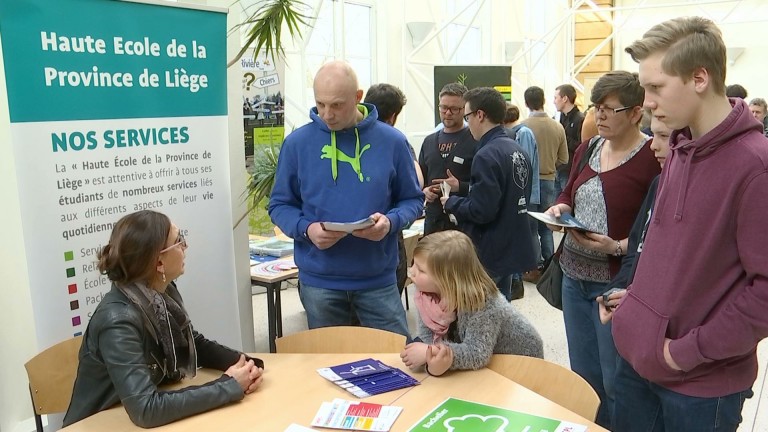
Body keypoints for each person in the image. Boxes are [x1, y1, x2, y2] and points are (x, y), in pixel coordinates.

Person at [612, 16, 768, 432]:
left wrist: (685, 352)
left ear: (700, 77)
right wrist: (634, 304)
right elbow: (671, 253)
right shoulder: (679, 149)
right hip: (638, 361)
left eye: (656, 87)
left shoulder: (756, 166)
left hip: (699, 385)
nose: (645, 101)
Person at [63, 211, 264, 428]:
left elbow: (192, 342)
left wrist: (246, 365)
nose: (185, 247)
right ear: (159, 261)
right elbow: (147, 409)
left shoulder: (162, 292)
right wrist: (229, 386)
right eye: (178, 241)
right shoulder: (117, 321)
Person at [268, 61, 423, 336]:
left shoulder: (392, 142)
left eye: (337, 105)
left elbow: (412, 200)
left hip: (378, 280)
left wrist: (389, 223)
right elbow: (280, 204)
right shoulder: (297, 144)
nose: (327, 114)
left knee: (398, 361)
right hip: (319, 282)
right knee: (330, 365)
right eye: (320, 104)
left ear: (358, 97)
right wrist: (307, 229)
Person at [545, 71, 660, 429]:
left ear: (636, 112)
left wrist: (618, 246)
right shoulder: (589, 147)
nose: (600, 117)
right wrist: (560, 209)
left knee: (616, 380)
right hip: (574, 277)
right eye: (597, 108)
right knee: (584, 374)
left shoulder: (653, 156)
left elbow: (657, 226)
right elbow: (569, 190)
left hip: (614, 285)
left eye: (610, 109)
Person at [399, 230, 543, 376]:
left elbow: (477, 353)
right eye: (414, 265)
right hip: (487, 368)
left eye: (421, 270)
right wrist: (432, 361)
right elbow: (428, 341)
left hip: (522, 364)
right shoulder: (426, 297)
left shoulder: (483, 301)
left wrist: (430, 352)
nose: (412, 272)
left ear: (448, 279)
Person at [441, 87, 537, 302]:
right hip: (510, 245)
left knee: (483, 314)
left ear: (480, 115)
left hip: (490, 250)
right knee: (502, 309)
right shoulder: (515, 149)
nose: (467, 124)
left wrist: (452, 203)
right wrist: (464, 188)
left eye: (467, 117)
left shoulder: (486, 154)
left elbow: (482, 211)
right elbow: (507, 193)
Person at [597, 115, 672, 321]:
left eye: (664, 136)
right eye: (653, 135)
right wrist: (616, 288)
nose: (653, 146)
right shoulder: (659, 183)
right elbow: (637, 249)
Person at [364, 83, 424, 297]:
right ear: (393, 115)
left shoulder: (347, 136)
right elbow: (417, 182)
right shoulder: (396, 141)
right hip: (387, 232)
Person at [418, 82, 478, 235]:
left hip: (463, 223)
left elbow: (484, 187)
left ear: (465, 109)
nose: (448, 113)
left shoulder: (475, 140)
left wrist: (460, 186)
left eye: (454, 109)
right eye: (443, 107)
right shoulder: (429, 142)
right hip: (433, 221)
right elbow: (420, 179)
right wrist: (425, 191)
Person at [522, 86, 568, 280]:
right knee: (548, 226)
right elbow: (564, 158)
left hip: (528, 183)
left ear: (526, 103)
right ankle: (550, 266)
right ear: (544, 100)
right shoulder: (557, 126)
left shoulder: (523, 127)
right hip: (549, 179)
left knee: (531, 227)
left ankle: (534, 268)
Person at [503, 103, 539, 299]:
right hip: (522, 194)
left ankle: (526, 273)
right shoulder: (519, 132)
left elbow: (520, 167)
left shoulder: (522, 133)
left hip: (524, 195)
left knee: (528, 232)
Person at [553, 84, 585, 197]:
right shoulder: (558, 119)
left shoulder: (580, 119)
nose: (554, 101)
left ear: (565, 98)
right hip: (557, 168)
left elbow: (581, 146)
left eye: (556, 98)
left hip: (570, 170)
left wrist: (563, 136)